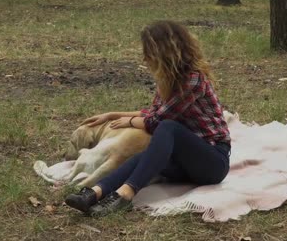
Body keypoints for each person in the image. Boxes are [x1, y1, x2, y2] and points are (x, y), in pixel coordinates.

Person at [65, 20, 231, 217]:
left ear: (164, 51)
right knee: (143, 157)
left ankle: (124, 195)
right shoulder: (168, 80)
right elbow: (153, 112)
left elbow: (155, 122)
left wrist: (129, 122)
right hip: (184, 164)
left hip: (212, 162)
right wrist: (113, 115)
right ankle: (95, 193)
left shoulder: (193, 80)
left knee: (168, 127)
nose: (144, 58)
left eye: (148, 52)